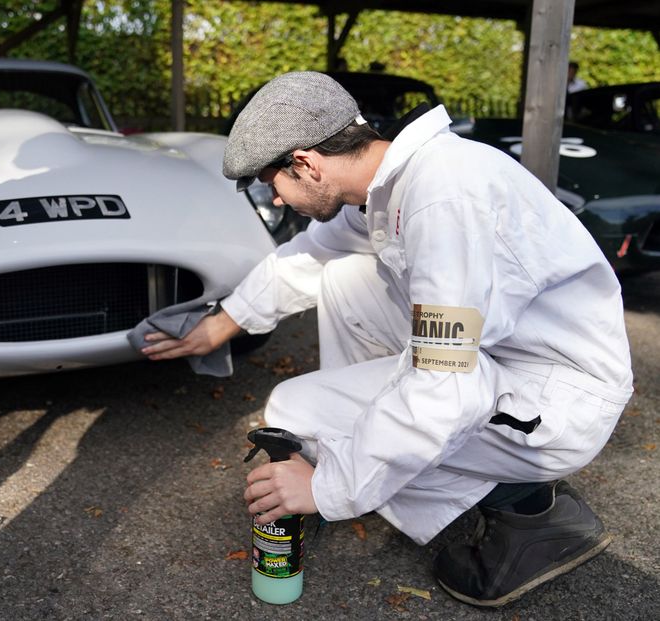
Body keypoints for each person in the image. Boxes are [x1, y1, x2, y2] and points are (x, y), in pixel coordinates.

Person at [140, 72, 632, 607]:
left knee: (298, 412)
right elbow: (309, 257)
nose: (276, 202)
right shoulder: (392, 185)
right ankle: (379, 462)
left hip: (554, 399)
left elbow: (444, 387)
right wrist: (224, 322)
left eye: (268, 183)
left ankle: (533, 512)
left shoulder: (443, 200)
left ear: (305, 163)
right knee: (344, 276)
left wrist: (327, 489)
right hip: (502, 357)